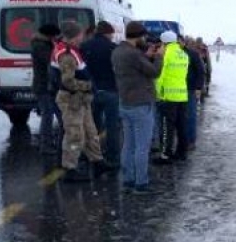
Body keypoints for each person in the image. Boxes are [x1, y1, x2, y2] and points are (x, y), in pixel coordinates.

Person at [51, 21, 113, 181]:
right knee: (74, 134)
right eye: (80, 35)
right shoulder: (67, 55)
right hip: (72, 99)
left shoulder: (72, 51)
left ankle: (97, 161)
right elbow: (67, 81)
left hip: (80, 99)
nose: (82, 38)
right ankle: (69, 168)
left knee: (90, 131)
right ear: (73, 36)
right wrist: (88, 85)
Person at [112, 21, 163, 194]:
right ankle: (141, 183)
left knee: (129, 144)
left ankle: (128, 180)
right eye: (143, 36)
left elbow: (135, 69)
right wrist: (158, 57)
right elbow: (155, 72)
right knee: (142, 146)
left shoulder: (118, 51)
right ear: (139, 36)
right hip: (141, 104)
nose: (145, 39)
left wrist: (146, 56)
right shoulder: (134, 54)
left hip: (125, 102)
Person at [80, 21, 120, 166]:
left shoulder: (84, 47)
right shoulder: (113, 48)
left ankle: (93, 155)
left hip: (91, 90)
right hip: (111, 90)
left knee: (91, 126)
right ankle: (113, 157)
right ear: (108, 33)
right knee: (112, 126)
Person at [155, 30, 190, 162]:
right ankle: (182, 152)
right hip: (182, 95)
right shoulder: (183, 54)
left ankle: (165, 155)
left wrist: (158, 93)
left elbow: (160, 76)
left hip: (168, 96)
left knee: (166, 127)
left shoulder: (165, 54)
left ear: (164, 42)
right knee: (181, 125)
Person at [31, 23, 61, 155]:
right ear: (49, 35)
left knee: (51, 114)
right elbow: (51, 62)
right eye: (54, 36)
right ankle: (46, 145)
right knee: (47, 116)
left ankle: (50, 143)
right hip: (44, 86)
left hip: (45, 85)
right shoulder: (40, 46)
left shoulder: (42, 44)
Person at [182, 36, 205, 150]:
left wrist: (198, 88)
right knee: (181, 117)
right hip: (177, 90)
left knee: (190, 116)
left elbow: (201, 71)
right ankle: (183, 140)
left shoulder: (193, 54)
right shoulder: (174, 54)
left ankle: (191, 141)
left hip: (190, 89)